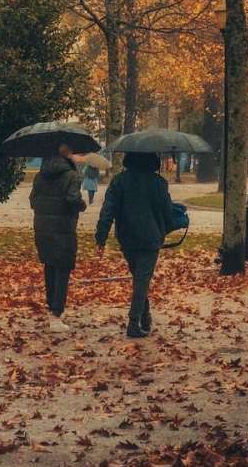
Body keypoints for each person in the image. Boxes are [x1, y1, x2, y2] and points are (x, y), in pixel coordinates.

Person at [94, 151, 176, 338]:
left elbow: (108, 210)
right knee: (142, 280)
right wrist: (165, 230)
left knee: (140, 279)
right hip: (151, 237)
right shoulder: (159, 183)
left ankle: (145, 318)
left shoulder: (119, 181)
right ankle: (133, 322)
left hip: (127, 237)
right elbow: (168, 212)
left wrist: (101, 237)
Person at [30, 144, 87, 333]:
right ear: (67, 155)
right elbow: (72, 200)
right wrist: (82, 205)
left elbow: (33, 200)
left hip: (43, 229)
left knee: (50, 266)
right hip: (63, 229)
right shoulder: (73, 176)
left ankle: (51, 308)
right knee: (63, 269)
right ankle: (57, 313)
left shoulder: (40, 176)